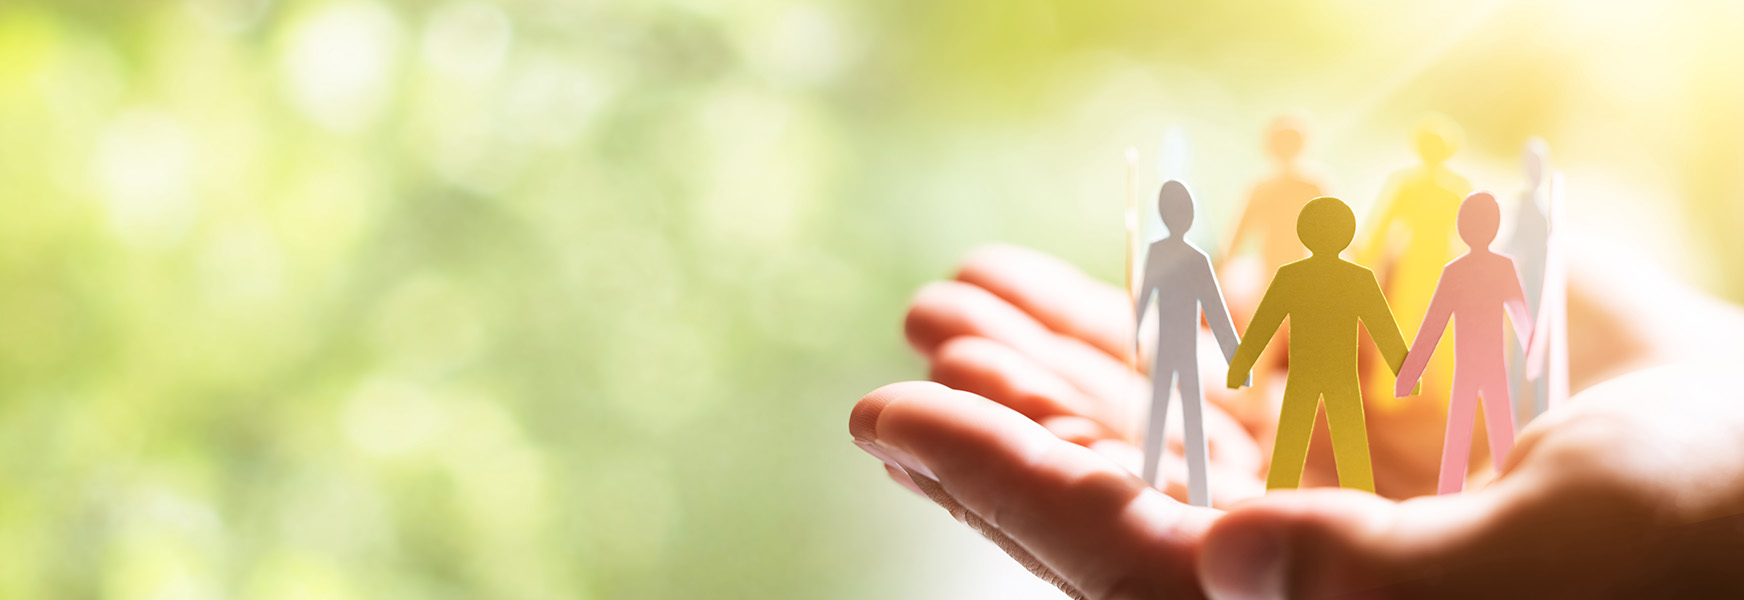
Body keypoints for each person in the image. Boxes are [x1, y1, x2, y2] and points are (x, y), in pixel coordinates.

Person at [850, 230, 1744, 598]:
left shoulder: (1355, 275)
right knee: (1306, 440)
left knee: (1320, 442)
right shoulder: (1343, 274)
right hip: (1311, 388)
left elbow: (1398, 325)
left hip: (1335, 389)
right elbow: (1310, 319)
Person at [1226, 197, 1409, 493]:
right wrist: (1405, 371)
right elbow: (1385, 331)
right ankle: (1357, 497)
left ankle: (1278, 494)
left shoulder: (1290, 276)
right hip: (1340, 376)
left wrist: (1241, 368)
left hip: (1304, 374)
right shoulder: (1360, 278)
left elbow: (1262, 326)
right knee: (1349, 444)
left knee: (1293, 440)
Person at [1393, 192, 1533, 495]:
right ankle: (1503, 488)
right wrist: (1535, 358)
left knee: (1467, 424)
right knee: (1496, 423)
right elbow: (1524, 321)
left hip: (1472, 367)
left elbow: (1432, 328)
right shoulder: (1499, 267)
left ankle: (1456, 490)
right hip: (1488, 365)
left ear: (1460, 227)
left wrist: (1408, 377)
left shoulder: (1457, 271)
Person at [1132, 181, 1242, 506]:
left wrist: (1237, 356)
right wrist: (1236, 356)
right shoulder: (1191, 257)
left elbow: (1213, 309)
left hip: (1174, 346)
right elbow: (1215, 310)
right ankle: (1157, 478)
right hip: (1174, 347)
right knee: (1176, 411)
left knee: (1170, 411)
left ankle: (1175, 484)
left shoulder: (1170, 254)